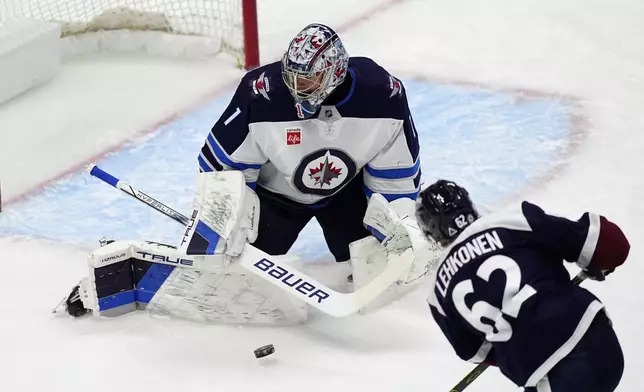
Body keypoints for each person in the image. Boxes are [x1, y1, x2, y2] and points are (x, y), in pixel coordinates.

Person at [197, 23, 421, 263]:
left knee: (380, 259)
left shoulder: (382, 95)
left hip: (344, 193)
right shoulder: (262, 95)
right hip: (274, 198)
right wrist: (225, 223)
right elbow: (223, 173)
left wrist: (396, 224)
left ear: (335, 71)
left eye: (307, 78)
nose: (295, 85)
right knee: (236, 263)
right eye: (291, 75)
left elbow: (396, 177)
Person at [414, 180, 630, 392]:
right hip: (599, 341)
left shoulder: (438, 295)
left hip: (554, 376)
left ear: (431, 231)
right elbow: (609, 243)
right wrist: (600, 262)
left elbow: (475, 352)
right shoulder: (513, 221)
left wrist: (514, 346)